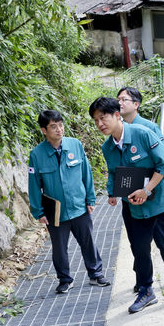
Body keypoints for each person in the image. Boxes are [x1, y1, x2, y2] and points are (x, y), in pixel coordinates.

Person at [90, 97, 164, 314]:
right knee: (140, 250)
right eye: (96, 121)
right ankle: (146, 291)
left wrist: (147, 190)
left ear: (116, 115)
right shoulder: (108, 147)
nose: (100, 124)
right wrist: (112, 191)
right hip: (137, 208)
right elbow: (114, 173)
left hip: (163, 203)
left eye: (103, 118)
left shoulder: (143, 133)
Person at [28, 110, 110, 294]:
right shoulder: (37, 154)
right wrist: (38, 212)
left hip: (79, 206)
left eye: (60, 125)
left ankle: (96, 274)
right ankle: (65, 279)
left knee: (88, 241)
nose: (59, 129)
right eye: (53, 126)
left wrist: (90, 198)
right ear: (44, 130)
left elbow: (86, 174)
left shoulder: (75, 145)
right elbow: (34, 185)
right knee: (59, 248)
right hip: (55, 212)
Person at [117, 86, 164, 291]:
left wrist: (147, 189)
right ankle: (143, 281)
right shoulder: (116, 131)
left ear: (136, 105)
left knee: (163, 236)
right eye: (118, 100)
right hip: (130, 198)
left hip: (155, 195)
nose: (120, 103)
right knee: (138, 243)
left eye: (124, 99)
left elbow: (163, 163)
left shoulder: (148, 128)